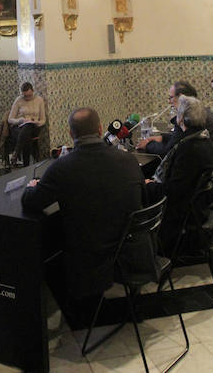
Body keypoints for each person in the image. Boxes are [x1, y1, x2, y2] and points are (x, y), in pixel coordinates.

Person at [22, 107, 145, 299]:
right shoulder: (128, 159)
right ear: (100, 129)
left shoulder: (62, 168)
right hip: (131, 247)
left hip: (89, 252)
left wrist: (31, 186)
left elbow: (31, 202)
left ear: (71, 134)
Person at [146, 96, 213, 254]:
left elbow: (172, 192)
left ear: (181, 119)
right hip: (201, 204)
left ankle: (146, 248)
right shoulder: (204, 138)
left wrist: (149, 185)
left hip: (183, 210)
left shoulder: (188, 149)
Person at [7, 82, 46, 167]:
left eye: (29, 95)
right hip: (20, 127)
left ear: (33, 91)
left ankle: (16, 153)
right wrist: (20, 120)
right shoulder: (19, 100)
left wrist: (35, 122)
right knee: (26, 135)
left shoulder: (39, 100)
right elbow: (10, 119)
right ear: (22, 94)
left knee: (28, 127)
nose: (27, 98)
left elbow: (43, 120)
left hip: (34, 126)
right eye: (25, 96)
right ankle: (26, 165)